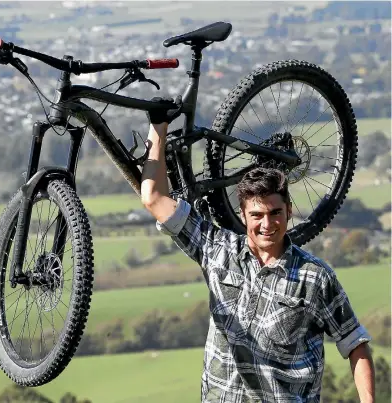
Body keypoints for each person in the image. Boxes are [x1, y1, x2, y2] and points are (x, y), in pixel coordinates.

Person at [140, 97, 375, 403]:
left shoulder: (314, 278)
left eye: (275, 213)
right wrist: (158, 126)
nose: (268, 224)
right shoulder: (217, 249)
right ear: (242, 215)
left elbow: (355, 342)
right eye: (257, 215)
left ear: (289, 210)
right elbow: (153, 197)